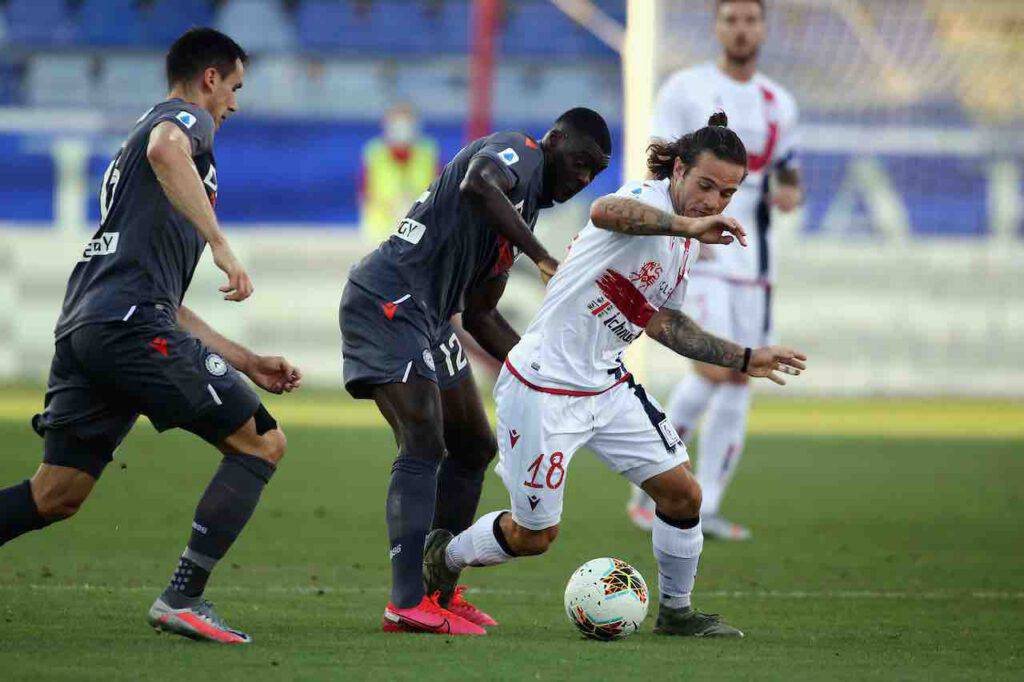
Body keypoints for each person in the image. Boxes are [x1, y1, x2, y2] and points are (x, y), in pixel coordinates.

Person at [423, 114, 807, 637]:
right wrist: (685, 224)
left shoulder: (685, 240)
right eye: (705, 185)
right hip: (543, 386)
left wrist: (743, 358)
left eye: (727, 193)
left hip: (605, 384)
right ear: (677, 170)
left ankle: (675, 612)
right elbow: (606, 210)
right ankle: (445, 555)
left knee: (682, 495)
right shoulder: (646, 201)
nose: (714, 202)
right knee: (534, 536)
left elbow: (662, 322)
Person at [0, 28, 301, 645]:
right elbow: (170, 149)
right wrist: (220, 245)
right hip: (128, 326)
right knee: (261, 444)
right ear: (210, 79)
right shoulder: (182, 121)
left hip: (90, 324)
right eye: (234, 87)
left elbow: (166, 303)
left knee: (55, 493)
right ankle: (183, 596)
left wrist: (245, 361)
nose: (234, 104)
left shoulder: (140, 147)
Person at [340, 108, 611, 635]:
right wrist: (542, 257)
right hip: (388, 298)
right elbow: (476, 182)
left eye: (594, 173)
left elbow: (481, 311)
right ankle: (405, 602)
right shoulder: (520, 152)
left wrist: (543, 376)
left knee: (473, 446)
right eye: (578, 163)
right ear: (553, 141)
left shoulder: (522, 212)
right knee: (423, 442)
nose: (581, 180)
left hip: (431, 316)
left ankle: (438, 592)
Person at [628, 0, 803, 539]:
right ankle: (648, 491)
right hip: (699, 254)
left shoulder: (780, 103)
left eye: (750, 19)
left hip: (755, 261)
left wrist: (790, 190)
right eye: (731, 19)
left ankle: (706, 506)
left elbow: (787, 170)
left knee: (741, 378)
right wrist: (680, 228)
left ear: (764, 28)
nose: (741, 29)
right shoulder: (686, 89)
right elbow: (660, 161)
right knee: (710, 368)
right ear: (717, 26)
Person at [359, 103, 440, 243]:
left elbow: (440, 193)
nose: (403, 128)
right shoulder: (375, 153)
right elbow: (364, 193)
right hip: (379, 231)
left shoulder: (428, 152)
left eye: (407, 123)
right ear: (387, 125)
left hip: (419, 230)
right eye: (397, 123)